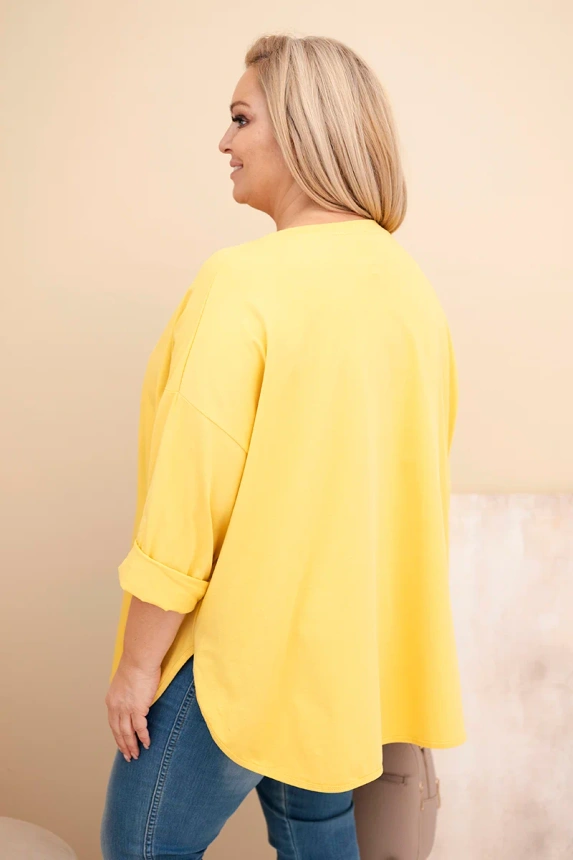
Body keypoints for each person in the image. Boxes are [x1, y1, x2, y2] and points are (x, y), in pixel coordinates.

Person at [100, 32, 466, 860]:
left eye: (240, 118)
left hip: (242, 651)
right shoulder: (411, 291)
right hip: (343, 662)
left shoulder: (243, 281)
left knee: (139, 849)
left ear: (302, 128)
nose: (223, 142)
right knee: (316, 836)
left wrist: (136, 666)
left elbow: (190, 496)